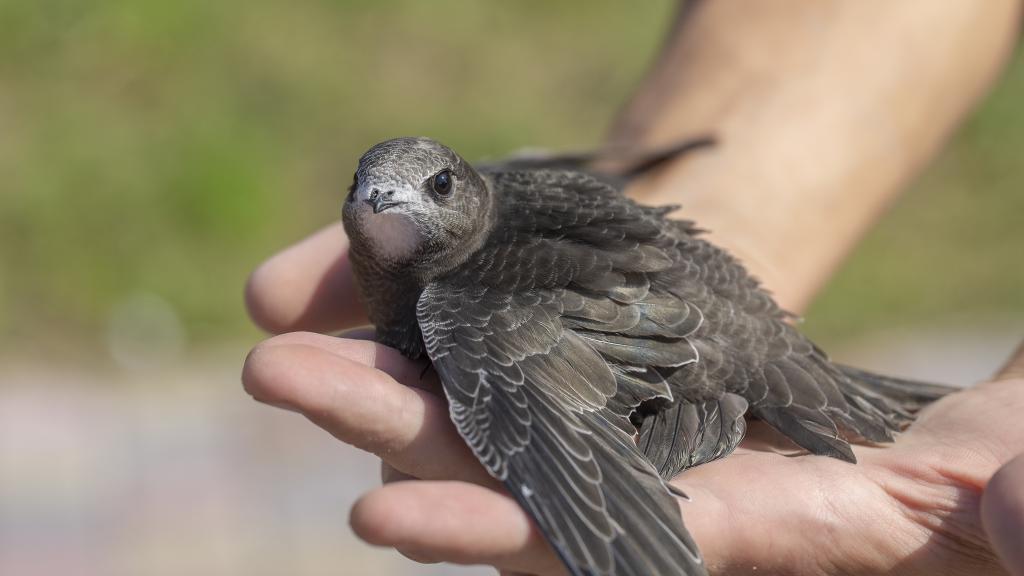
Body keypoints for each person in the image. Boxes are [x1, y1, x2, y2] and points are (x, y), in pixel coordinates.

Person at [241, 1, 1024, 574]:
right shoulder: (481, 217)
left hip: (710, 343)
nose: (385, 203)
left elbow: (552, 416)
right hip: (682, 306)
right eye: (369, 192)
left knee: (468, 337)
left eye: (435, 187)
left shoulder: (466, 303)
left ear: (468, 188)